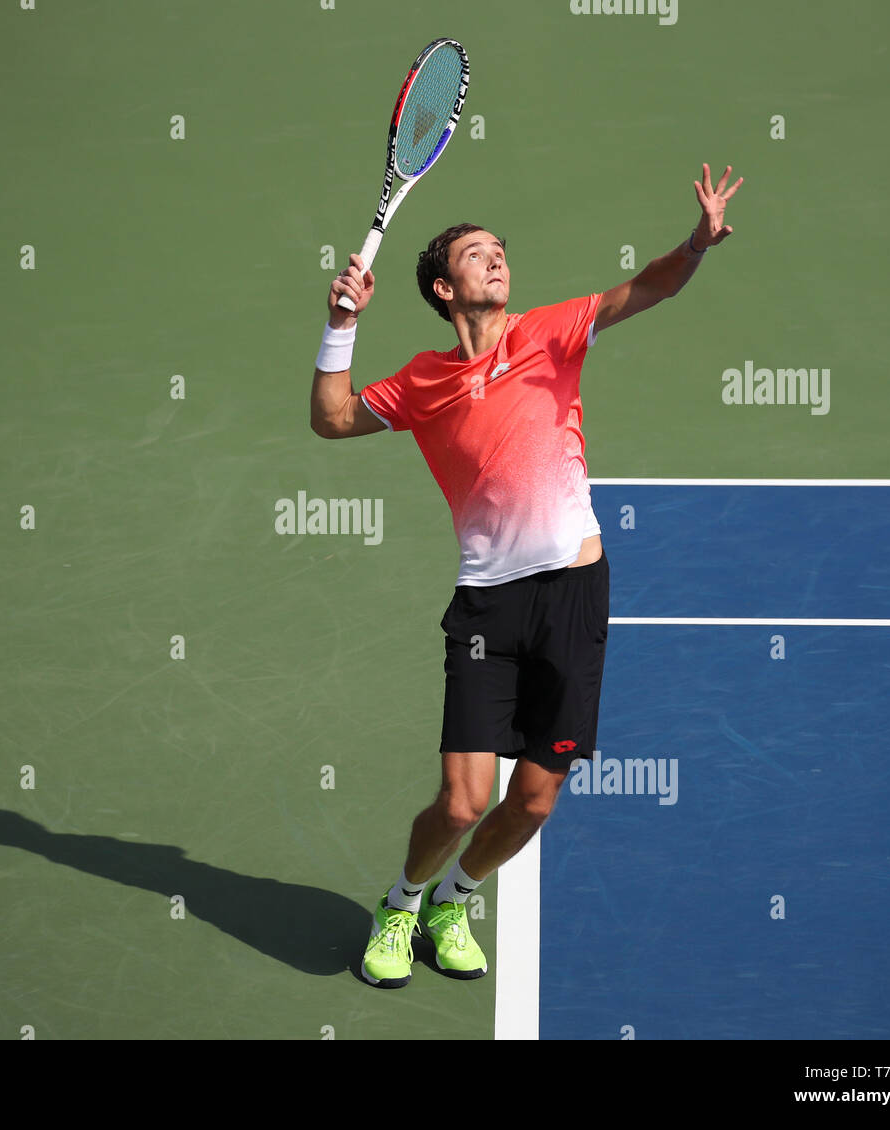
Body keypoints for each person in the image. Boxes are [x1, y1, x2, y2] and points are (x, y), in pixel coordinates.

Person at [310, 164, 743, 989]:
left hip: (576, 594)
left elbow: (648, 289)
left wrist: (695, 244)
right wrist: (340, 325)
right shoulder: (423, 381)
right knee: (462, 802)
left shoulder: (551, 331)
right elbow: (331, 419)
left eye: (501, 251)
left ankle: (454, 898)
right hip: (488, 608)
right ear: (445, 287)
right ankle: (402, 903)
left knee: (537, 798)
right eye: (478, 254)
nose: (497, 260)